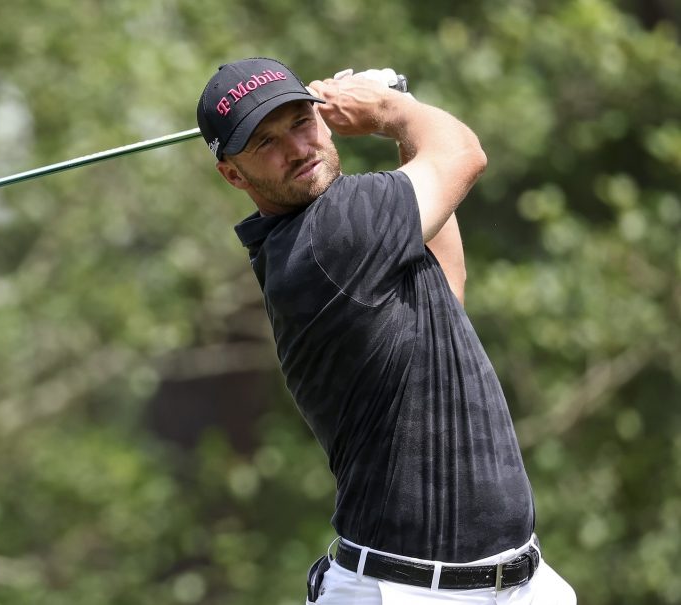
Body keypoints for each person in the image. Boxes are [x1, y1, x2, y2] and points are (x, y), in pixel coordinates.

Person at [196, 58, 577, 604]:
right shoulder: (330, 234)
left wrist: (402, 102)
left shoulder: (344, 240)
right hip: (403, 590)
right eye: (265, 143)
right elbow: (463, 153)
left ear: (323, 118)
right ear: (233, 173)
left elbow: (447, 282)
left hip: (519, 582)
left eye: (300, 121)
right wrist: (390, 109)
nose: (298, 149)